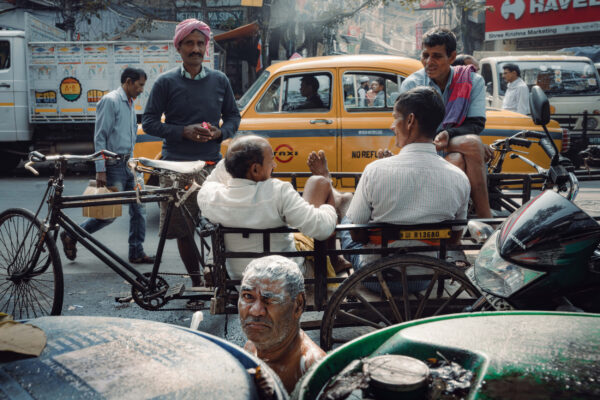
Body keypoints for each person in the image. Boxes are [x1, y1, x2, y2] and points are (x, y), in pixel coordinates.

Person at [142, 19, 241, 295]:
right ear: (179, 47)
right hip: (176, 167)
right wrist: (182, 131)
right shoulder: (165, 82)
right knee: (182, 229)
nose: (196, 49)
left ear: (206, 47)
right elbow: (149, 122)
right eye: (190, 43)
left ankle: (221, 278)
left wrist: (220, 134)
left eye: (200, 43)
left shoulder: (220, 80)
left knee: (221, 226)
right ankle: (198, 283)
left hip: (212, 166)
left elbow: (234, 116)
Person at [340, 87, 470, 269]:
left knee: (347, 217)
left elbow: (357, 236)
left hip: (377, 275)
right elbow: (454, 238)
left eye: (395, 118)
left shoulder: (374, 170)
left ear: (410, 121)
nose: (391, 126)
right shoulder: (459, 178)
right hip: (427, 274)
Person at [197, 134, 350, 280]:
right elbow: (323, 229)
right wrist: (328, 207)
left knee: (317, 184)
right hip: (286, 277)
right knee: (320, 182)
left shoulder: (212, 197)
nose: (275, 165)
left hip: (243, 279)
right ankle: (334, 260)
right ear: (256, 169)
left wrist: (235, 160)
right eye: (271, 160)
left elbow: (213, 179)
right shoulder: (277, 191)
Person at [60, 67, 154, 264]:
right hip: (113, 166)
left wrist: (134, 162)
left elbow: (129, 138)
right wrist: (100, 168)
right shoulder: (110, 101)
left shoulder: (129, 103)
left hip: (129, 164)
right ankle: (72, 235)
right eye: (140, 85)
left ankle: (136, 252)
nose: (141, 90)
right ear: (129, 82)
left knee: (139, 209)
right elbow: (100, 137)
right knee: (108, 215)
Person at [400, 28, 492, 218]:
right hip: (423, 144)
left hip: (452, 144)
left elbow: (476, 123)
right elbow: (411, 130)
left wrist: (448, 134)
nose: (429, 62)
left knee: (460, 155)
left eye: (436, 56)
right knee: (473, 145)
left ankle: (457, 221)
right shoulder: (412, 84)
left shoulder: (472, 82)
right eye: (425, 55)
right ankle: (485, 217)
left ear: (452, 57)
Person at [238, 255, 326, 394]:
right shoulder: (252, 346)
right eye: (248, 296)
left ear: (298, 305)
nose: (255, 311)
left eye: (269, 300)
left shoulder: (313, 368)